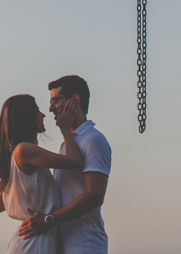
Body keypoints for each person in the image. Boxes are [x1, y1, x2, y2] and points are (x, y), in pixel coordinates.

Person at [17, 75, 111, 254]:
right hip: (63, 245)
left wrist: (48, 220)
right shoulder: (68, 144)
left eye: (55, 101)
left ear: (74, 100)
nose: (51, 108)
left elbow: (95, 195)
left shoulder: (93, 140)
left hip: (85, 245)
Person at [0, 93, 84, 254]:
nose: (43, 114)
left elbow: (0, 205)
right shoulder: (24, 150)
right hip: (35, 240)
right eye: (37, 110)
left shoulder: (13, 157)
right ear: (26, 117)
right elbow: (75, 161)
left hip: (27, 240)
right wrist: (66, 130)